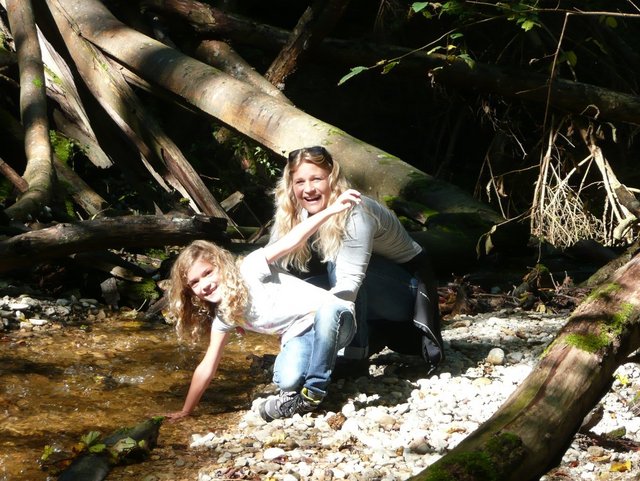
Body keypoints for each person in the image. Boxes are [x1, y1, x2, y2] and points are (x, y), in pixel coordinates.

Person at [164, 189, 363, 422]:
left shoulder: (250, 268)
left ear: (221, 265)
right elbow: (208, 366)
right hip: (300, 336)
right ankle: (326, 371)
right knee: (286, 380)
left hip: (335, 318)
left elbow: (292, 239)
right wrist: (186, 410)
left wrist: (332, 209)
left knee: (328, 309)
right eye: (195, 283)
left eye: (208, 273)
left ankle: (313, 392)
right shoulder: (225, 318)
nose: (205, 285)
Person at [270, 145, 444, 370]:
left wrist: (325, 327)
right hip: (370, 302)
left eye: (317, 179)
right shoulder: (293, 214)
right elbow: (268, 265)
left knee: (338, 265)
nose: (308, 189)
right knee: (299, 286)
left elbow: (349, 285)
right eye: (300, 182)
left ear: (332, 180)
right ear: (290, 186)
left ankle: (354, 356)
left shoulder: (356, 212)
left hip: (407, 297)